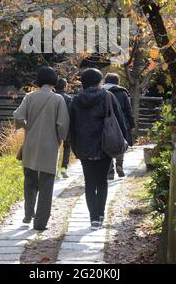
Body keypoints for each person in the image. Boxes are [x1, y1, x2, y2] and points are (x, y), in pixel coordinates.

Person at [69, 68, 128, 230]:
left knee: (89, 183)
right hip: (105, 145)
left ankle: (93, 218)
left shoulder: (75, 101)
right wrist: (124, 140)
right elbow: (119, 120)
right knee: (102, 181)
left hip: (84, 146)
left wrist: (75, 147)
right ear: (99, 81)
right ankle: (100, 215)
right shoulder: (108, 96)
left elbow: (71, 127)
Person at [13, 66, 69, 231]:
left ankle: (28, 214)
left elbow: (17, 116)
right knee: (46, 185)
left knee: (29, 181)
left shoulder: (29, 97)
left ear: (38, 80)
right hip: (49, 145)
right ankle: (40, 223)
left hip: (30, 144)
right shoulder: (58, 99)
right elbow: (62, 125)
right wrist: (60, 139)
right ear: (54, 81)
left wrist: (26, 127)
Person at [103, 72, 135, 180]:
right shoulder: (123, 92)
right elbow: (128, 110)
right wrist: (132, 123)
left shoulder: (101, 91)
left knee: (106, 145)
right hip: (122, 122)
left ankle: (109, 170)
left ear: (105, 81)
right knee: (121, 143)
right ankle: (119, 165)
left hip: (106, 123)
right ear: (118, 82)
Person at [55, 78, 72, 179]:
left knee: (55, 148)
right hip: (66, 126)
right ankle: (64, 169)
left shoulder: (52, 97)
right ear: (65, 87)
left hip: (53, 126)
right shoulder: (68, 99)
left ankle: (55, 171)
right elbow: (71, 114)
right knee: (67, 146)